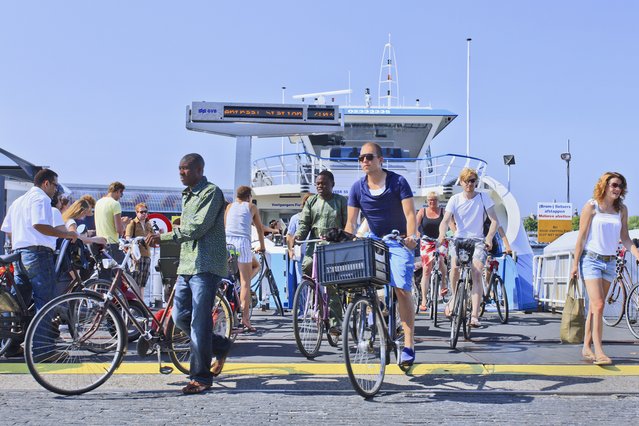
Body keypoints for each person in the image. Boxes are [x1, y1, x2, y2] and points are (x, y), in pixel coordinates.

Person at [146, 153, 231, 394]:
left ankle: (200, 378)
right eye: (179, 169)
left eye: (185, 169)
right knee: (179, 317)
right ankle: (221, 345)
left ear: (199, 170)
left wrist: (163, 237)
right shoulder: (187, 195)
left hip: (206, 266)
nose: (181, 172)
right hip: (187, 265)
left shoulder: (211, 193)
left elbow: (196, 228)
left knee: (199, 322)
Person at [345, 142, 418, 366]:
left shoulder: (398, 182)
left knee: (401, 289)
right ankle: (373, 319)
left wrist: (412, 236)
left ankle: (408, 344)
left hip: (398, 239)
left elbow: (410, 214)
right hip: (374, 239)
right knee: (361, 284)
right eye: (361, 158)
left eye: (369, 157)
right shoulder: (357, 188)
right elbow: (351, 222)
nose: (364, 161)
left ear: (380, 160)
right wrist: (345, 240)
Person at [1, 169, 79, 359]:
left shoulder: (18, 201)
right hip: (38, 254)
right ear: (46, 183)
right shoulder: (41, 198)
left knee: (17, 306)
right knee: (45, 302)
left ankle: (10, 346)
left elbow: (7, 230)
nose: (55, 190)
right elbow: (39, 225)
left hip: (18, 255)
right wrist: (66, 234)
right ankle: (43, 351)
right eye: (55, 185)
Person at [570, 172, 639, 365]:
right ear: (605, 186)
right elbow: (581, 238)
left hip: (610, 262)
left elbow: (625, 237)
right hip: (591, 260)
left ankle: (586, 346)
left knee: (595, 307)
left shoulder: (622, 210)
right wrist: (575, 265)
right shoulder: (591, 206)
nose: (617, 189)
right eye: (614, 185)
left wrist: (636, 253)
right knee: (599, 305)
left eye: (620, 186)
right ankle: (599, 351)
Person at [438, 167, 499, 328]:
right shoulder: (455, 199)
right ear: (461, 182)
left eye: (472, 181)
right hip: (459, 239)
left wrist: (489, 238)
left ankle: (474, 316)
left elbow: (494, 221)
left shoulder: (483, 198)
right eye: (466, 181)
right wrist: (442, 235)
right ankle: (453, 296)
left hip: (478, 240)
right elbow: (445, 220)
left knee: (477, 273)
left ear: (476, 182)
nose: (469, 184)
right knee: (455, 267)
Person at [296, 170, 348, 335]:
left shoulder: (340, 201)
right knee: (308, 267)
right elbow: (304, 223)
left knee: (331, 285)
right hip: (315, 245)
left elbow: (347, 224)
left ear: (332, 184)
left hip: (334, 245)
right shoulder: (311, 201)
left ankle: (335, 323)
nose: (320, 186)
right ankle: (317, 303)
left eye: (324, 183)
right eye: (318, 183)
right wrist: (298, 236)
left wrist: (345, 238)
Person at [224, 186, 266, 332]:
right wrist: (262, 246)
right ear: (249, 196)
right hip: (242, 243)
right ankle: (245, 319)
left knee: (227, 277)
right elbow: (259, 228)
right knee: (245, 283)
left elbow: (225, 226)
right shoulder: (251, 206)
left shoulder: (229, 206)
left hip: (227, 243)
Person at [415, 191, 448, 312]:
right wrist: (416, 232)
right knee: (426, 269)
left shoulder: (443, 211)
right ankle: (424, 299)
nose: (431, 202)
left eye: (434, 200)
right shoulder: (422, 212)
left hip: (440, 241)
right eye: (429, 200)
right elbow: (416, 224)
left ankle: (443, 283)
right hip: (426, 242)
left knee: (440, 261)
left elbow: (451, 224)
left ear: (437, 201)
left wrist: (455, 233)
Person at [94, 181, 129, 264]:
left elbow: (106, 221)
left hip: (100, 243)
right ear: (118, 191)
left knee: (106, 274)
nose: (121, 197)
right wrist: (124, 224)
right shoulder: (115, 204)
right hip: (112, 244)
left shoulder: (98, 202)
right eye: (121, 194)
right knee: (124, 273)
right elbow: (119, 230)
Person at [125, 203, 155, 295]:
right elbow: (128, 239)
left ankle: (141, 303)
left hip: (147, 255)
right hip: (136, 256)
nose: (144, 214)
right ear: (136, 212)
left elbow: (153, 237)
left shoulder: (148, 224)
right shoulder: (132, 224)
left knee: (143, 282)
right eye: (141, 212)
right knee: (134, 281)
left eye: (145, 212)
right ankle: (134, 302)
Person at [286, 193, 312, 290]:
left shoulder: (317, 218)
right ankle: (302, 305)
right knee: (302, 284)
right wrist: (290, 250)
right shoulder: (296, 218)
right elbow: (289, 235)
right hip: (301, 256)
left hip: (315, 255)